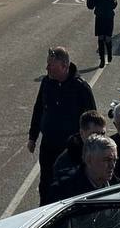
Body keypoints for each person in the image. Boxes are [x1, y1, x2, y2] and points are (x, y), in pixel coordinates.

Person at [28, 47, 96, 204]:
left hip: (70, 148)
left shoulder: (81, 88)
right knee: (45, 182)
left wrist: (92, 147)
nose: (47, 68)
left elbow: (91, 119)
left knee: (68, 183)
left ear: (64, 66)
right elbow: (38, 109)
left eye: (51, 64)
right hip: (48, 145)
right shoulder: (46, 83)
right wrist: (33, 137)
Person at [50, 110, 108, 199]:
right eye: (94, 134)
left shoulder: (110, 153)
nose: (99, 138)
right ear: (82, 133)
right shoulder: (65, 162)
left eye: (102, 134)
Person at [51, 135, 120, 201]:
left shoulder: (118, 186)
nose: (112, 165)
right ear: (88, 160)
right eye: (107, 160)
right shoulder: (64, 189)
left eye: (115, 160)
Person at [87, 0, 118, 66]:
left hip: (109, 17)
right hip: (99, 17)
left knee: (107, 38)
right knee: (100, 38)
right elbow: (90, 6)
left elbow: (114, 5)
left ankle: (109, 54)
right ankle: (102, 60)